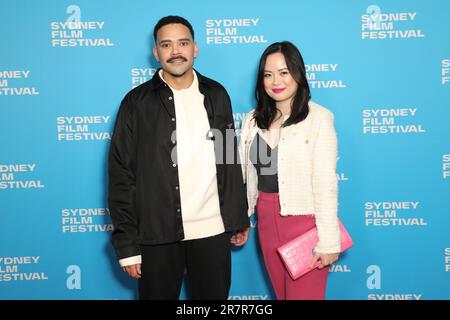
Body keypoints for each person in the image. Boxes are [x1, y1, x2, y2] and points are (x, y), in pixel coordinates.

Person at [108, 15, 250, 300]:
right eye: (167, 44)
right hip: (156, 236)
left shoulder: (216, 94)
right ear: (156, 52)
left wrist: (238, 215)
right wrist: (127, 245)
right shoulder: (135, 103)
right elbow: (121, 175)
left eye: (183, 43)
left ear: (195, 48)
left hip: (212, 232)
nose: (176, 51)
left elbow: (227, 158)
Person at [239, 41, 341, 300]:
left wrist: (329, 242)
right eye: (268, 74)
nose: (276, 81)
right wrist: (241, 218)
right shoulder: (251, 120)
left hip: (304, 224)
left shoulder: (318, 118)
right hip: (266, 221)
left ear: (298, 73)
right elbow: (245, 175)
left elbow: (325, 183)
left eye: (284, 72)